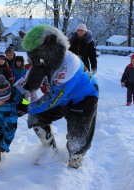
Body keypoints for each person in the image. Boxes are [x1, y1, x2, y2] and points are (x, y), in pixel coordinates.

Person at [21, 25, 99, 169]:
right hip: (63, 97)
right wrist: (22, 94)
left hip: (83, 100)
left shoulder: (69, 65)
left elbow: (53, 98)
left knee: (77, 137)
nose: (38, 62)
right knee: (36, 117)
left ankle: (76, 157)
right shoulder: (46, 59)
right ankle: (49, 148)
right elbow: (34, 74)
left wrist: (29, 106)